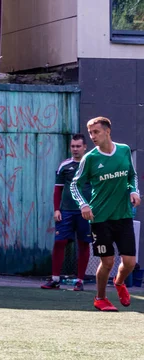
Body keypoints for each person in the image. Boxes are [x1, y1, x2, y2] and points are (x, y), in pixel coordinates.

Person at [70, 117, 140, 312]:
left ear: (108, 131)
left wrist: (134, 190)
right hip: (99, 218)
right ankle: (100, 298)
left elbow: (131, 175)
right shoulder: (90, 158)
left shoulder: (124, 150)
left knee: (129, 263)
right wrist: (83, 204)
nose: (92, 136)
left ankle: (119, 283)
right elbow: (75, 184)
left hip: (123, 215)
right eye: (90, 133)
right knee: (107, 261)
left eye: (96, 132)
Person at [41, 134, 92, 291]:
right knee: (60, 242)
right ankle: (55, 279)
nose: (75, 149)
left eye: (78, 146)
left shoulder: (92, 164)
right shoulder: (64, 166)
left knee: (83, 243)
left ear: (85, 147)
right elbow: (57, 189)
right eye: (73, 146)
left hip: (86, 212)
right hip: (66, 211)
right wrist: (57, 209)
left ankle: (80, 281)